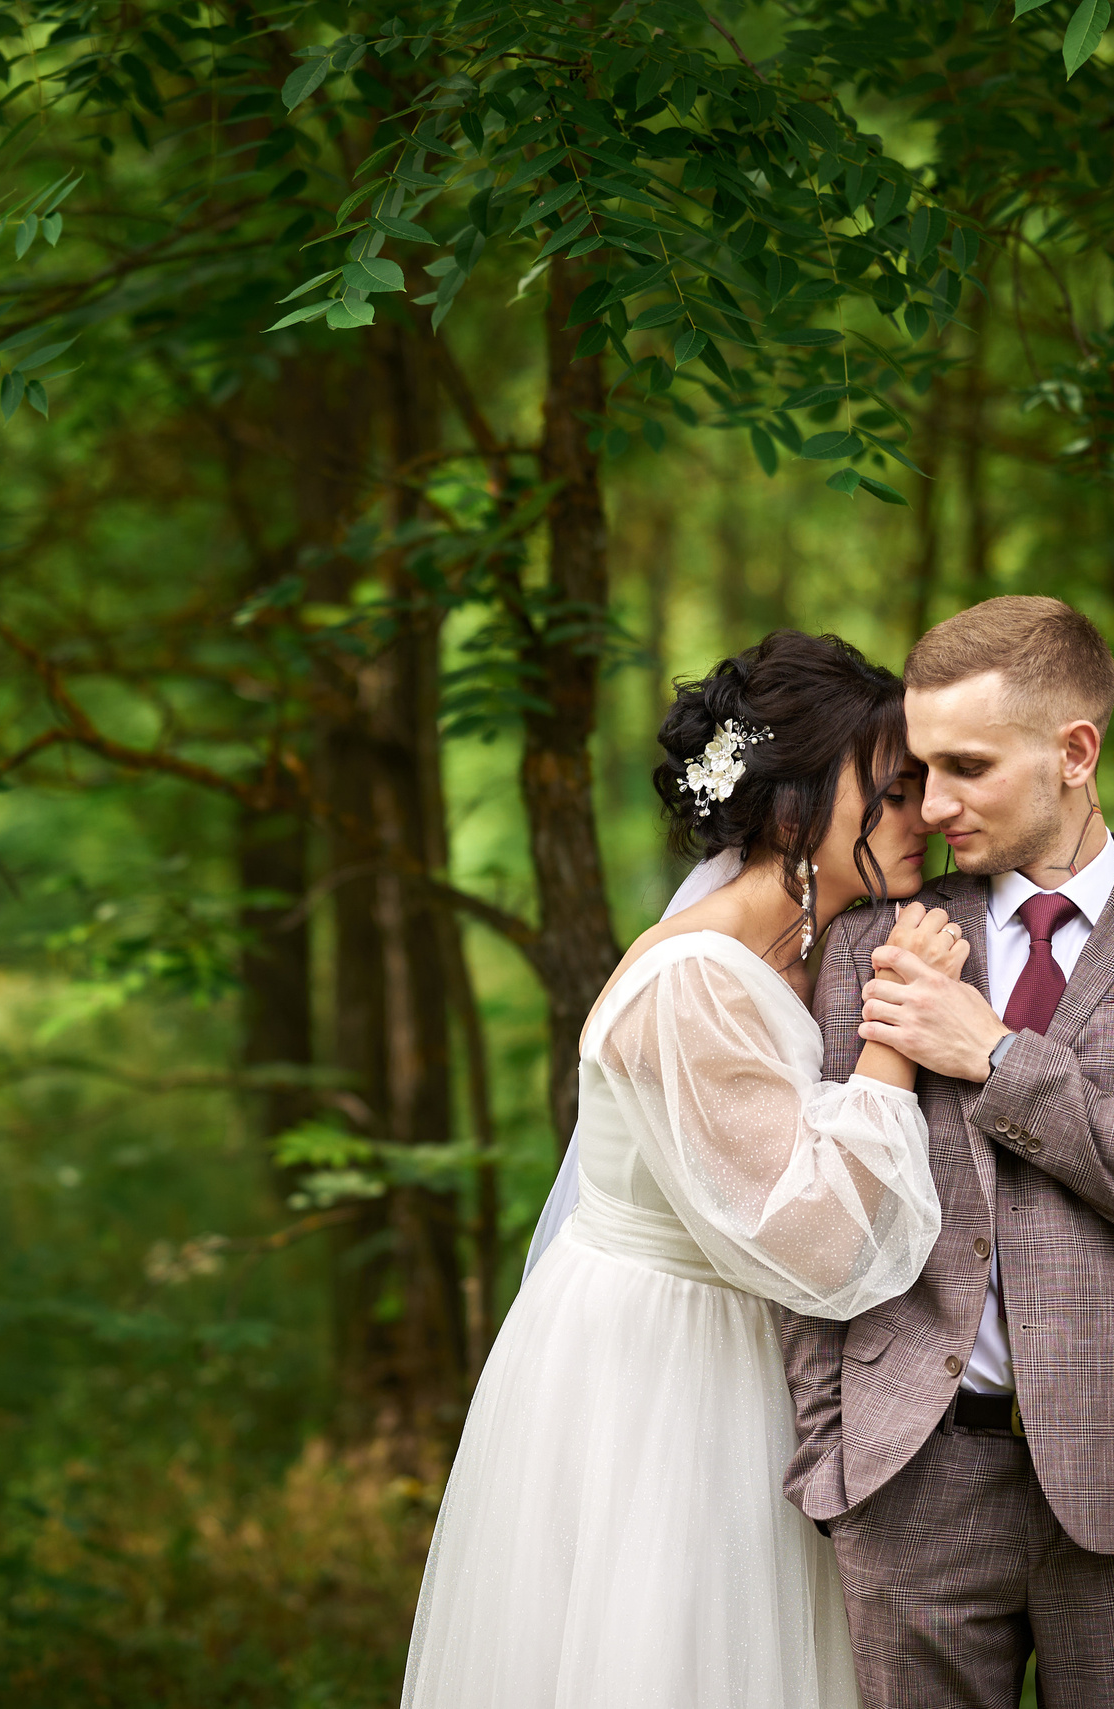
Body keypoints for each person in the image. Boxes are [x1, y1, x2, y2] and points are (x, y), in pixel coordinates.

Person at [401, 630, 954, 1709]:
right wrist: (895, 1033)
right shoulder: (694, 978)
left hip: (743, 1350)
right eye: (890, 792)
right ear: (792, 811)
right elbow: (825, 1243)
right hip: (660, 1374)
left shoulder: (807, 940)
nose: (922, 815)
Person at [783, 596, 1114, 1709]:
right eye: (920, 768)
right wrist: (833, 1460)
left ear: (1073, 751)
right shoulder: (873, 939)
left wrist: (999, 1059)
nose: (934, 803)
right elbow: (824, 1209)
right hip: (906, 1479)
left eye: (967, 765)